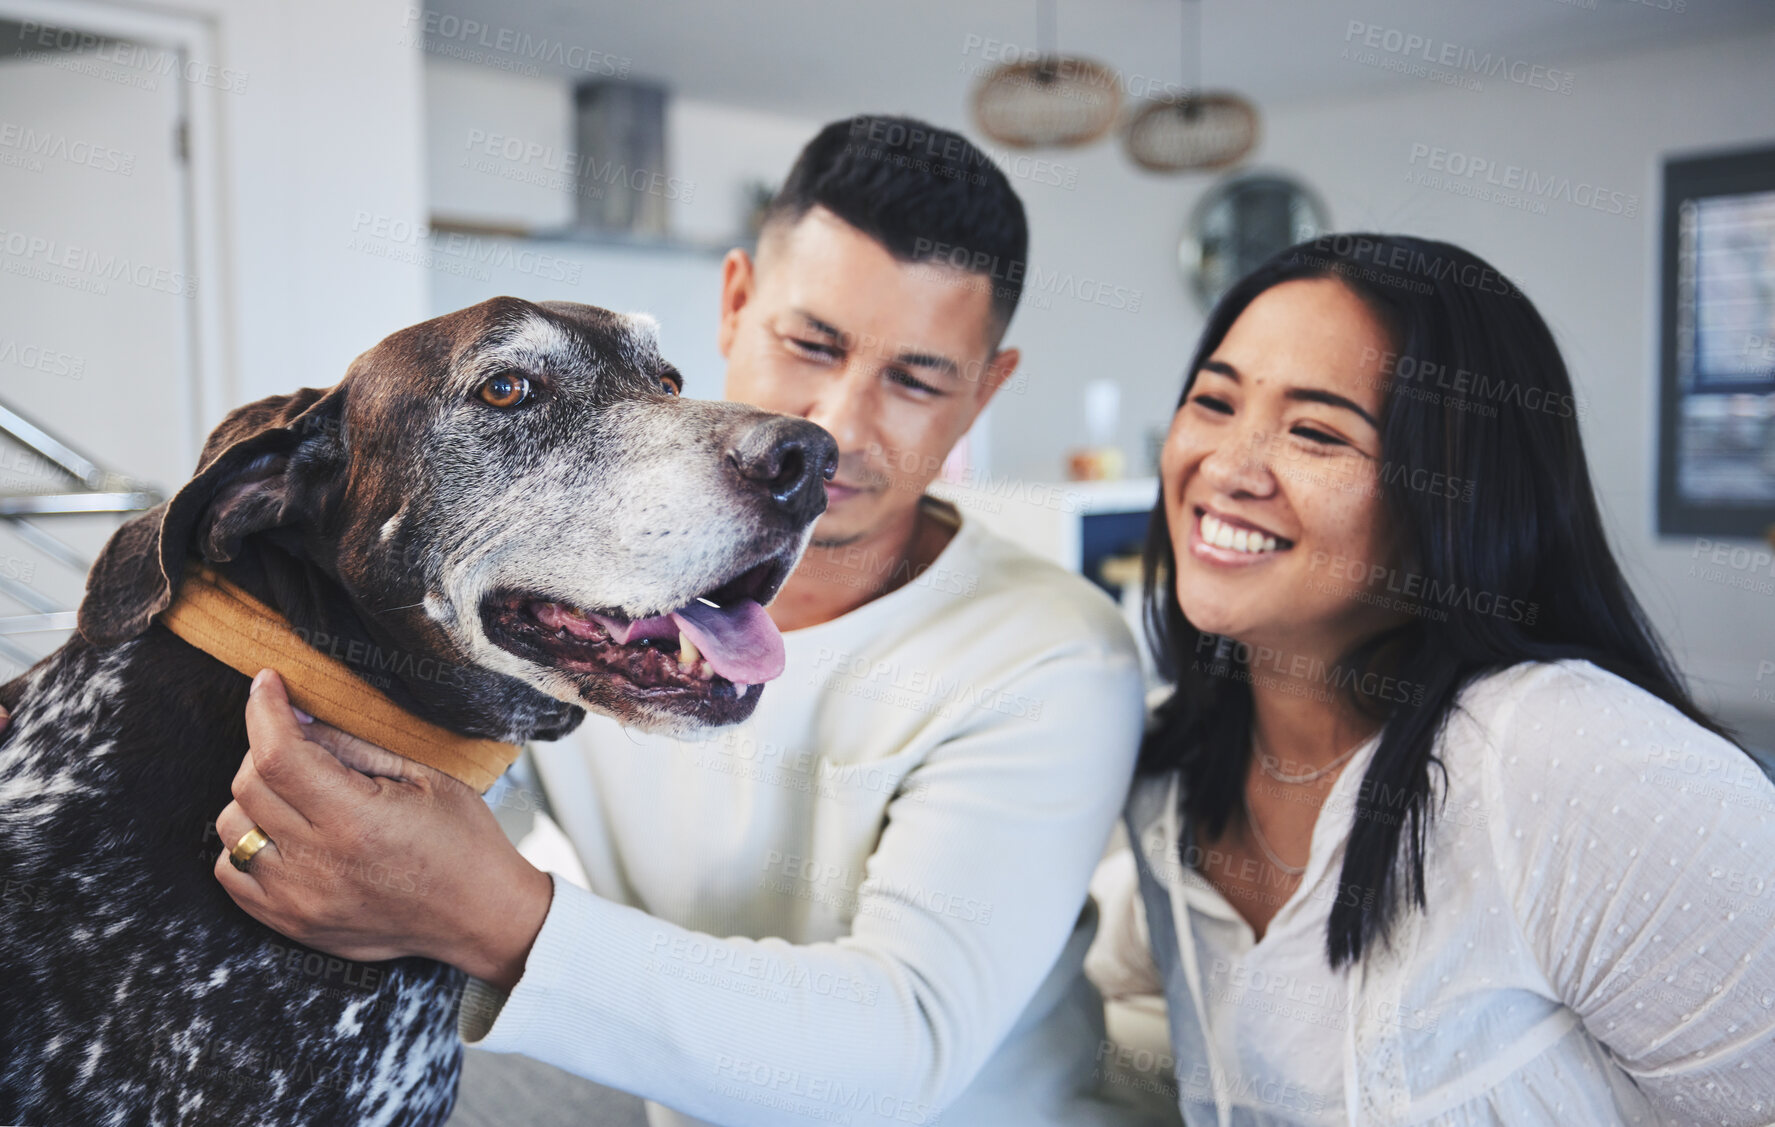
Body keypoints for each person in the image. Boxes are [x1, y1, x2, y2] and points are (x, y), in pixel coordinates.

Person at [0, 114, 1153, 1127]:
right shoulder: (570, 606)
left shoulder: (1052, 652)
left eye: (914, 377)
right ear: (737, 301)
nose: (831, 425)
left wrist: (491, 911)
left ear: (982, 392)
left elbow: (900, 1051)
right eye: (811, 343)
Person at [1087, 232, 1775, 1126]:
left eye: (1315, 432)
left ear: (1453, 493)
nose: (1225, 469)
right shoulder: (1168, 775)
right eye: (1212, 402)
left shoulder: (1577, 765)